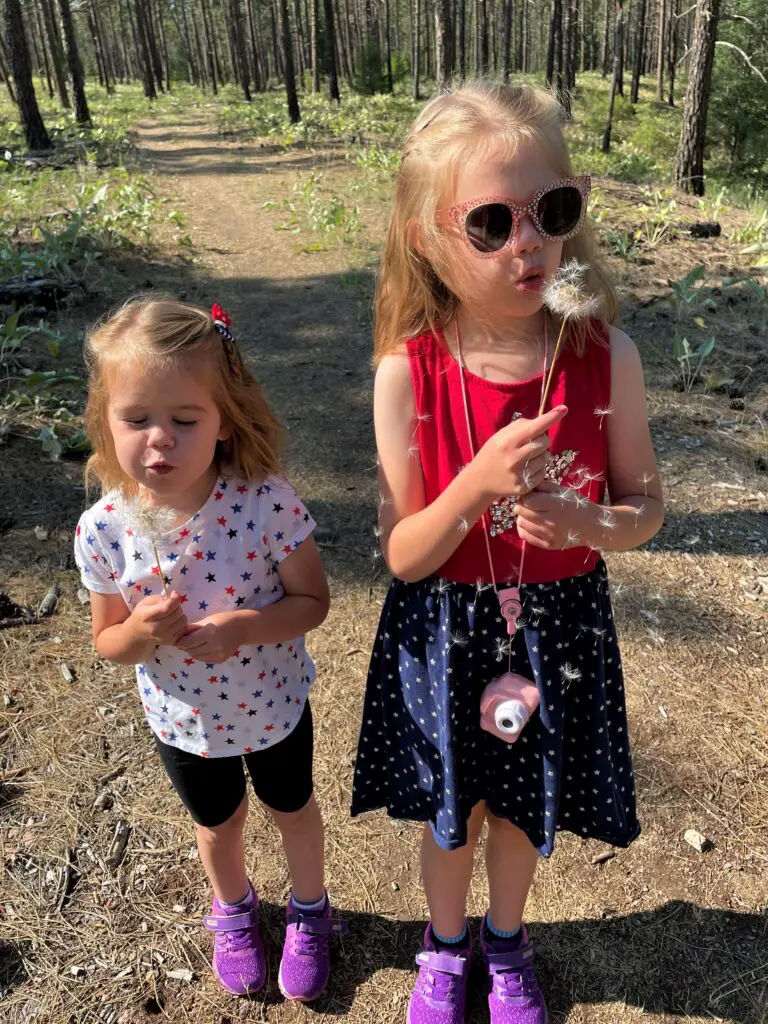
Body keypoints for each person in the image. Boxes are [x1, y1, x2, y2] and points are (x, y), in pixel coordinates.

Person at [351, 83, 664, 1024]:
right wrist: (475, 486)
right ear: (426, 239)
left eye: (551, 213)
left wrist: (588, 524)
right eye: (490, 222)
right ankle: (445, 952)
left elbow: (645, 507)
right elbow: (405, 555)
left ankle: (506, 937)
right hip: (446, 626)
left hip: (559, 625)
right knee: (456, 808)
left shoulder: (610, 358)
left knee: (525, 804)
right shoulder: (409, 373)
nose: (528, 242)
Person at [74, 297, 345, 1002]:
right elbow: (108, 642)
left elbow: (312, 602)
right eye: (136, 419)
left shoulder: (264, 502)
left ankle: (311, 911)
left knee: (293, 809)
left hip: (274, 704)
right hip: (184, 723)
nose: (159, 440)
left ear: (224, 421)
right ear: (105, 421)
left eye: (185, 420)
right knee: (217, 824)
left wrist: (243, 628)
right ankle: (233, 909)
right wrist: (141, 634)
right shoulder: (104, 530)